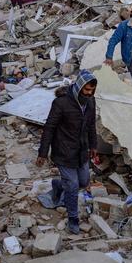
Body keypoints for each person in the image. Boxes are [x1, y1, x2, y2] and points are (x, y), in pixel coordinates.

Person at [36, 70, 98, 234]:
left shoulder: (90, 102)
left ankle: (58, 185)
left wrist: (93, 146)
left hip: (81, 150)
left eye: (91, 91)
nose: (89, 93)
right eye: (86, 90)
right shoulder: (61, 103)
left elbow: (91, 126)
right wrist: (43, 153)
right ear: (78, 87)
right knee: (73, 185)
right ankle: (73, 218)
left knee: (83, 182)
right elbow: (49, 128)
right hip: (64, 151)